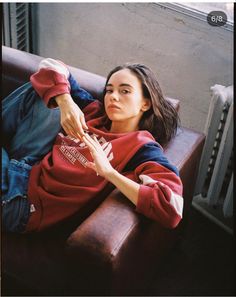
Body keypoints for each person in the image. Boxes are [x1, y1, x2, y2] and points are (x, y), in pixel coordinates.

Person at [2, 58, 183, 233]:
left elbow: (172, 209)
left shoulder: (141, 148)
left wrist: (110, 173)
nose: (113, 97)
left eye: (125, 91)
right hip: (21, 170)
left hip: (23, 204)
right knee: (48, 93)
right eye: (109, 91)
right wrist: (66, 102)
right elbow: (50, 65)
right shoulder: (92, 111)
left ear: (145, 103)